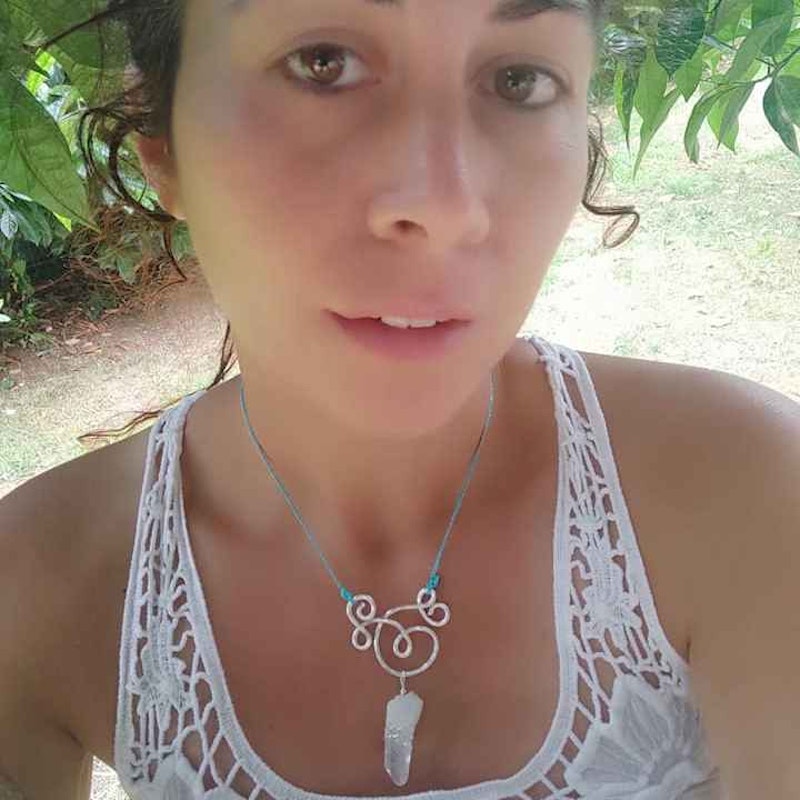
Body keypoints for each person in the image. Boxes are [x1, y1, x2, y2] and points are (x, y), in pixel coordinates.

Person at [1, 0, 798, 798]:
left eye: (519, 80)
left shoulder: (749, 490)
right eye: (322, 64)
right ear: (164, 150)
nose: (445, 207)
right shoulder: (35, 590)